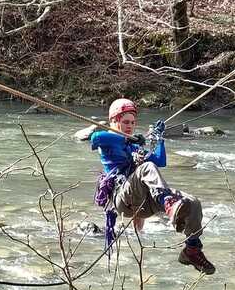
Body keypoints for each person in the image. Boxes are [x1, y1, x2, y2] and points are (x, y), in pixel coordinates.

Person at [90, 98, 216, 275]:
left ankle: (192, 249)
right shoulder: (108, 141)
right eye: (125, 122)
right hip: (123, 198)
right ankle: (168, 203)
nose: (130, 126)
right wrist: (129, 140)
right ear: (113, 121)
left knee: (193, 202)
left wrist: (159, 139)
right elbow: (95, 137)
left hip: (145, 202)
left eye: (132, 123)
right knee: (146, 167)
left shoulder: (135, 145)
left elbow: (160, 161)